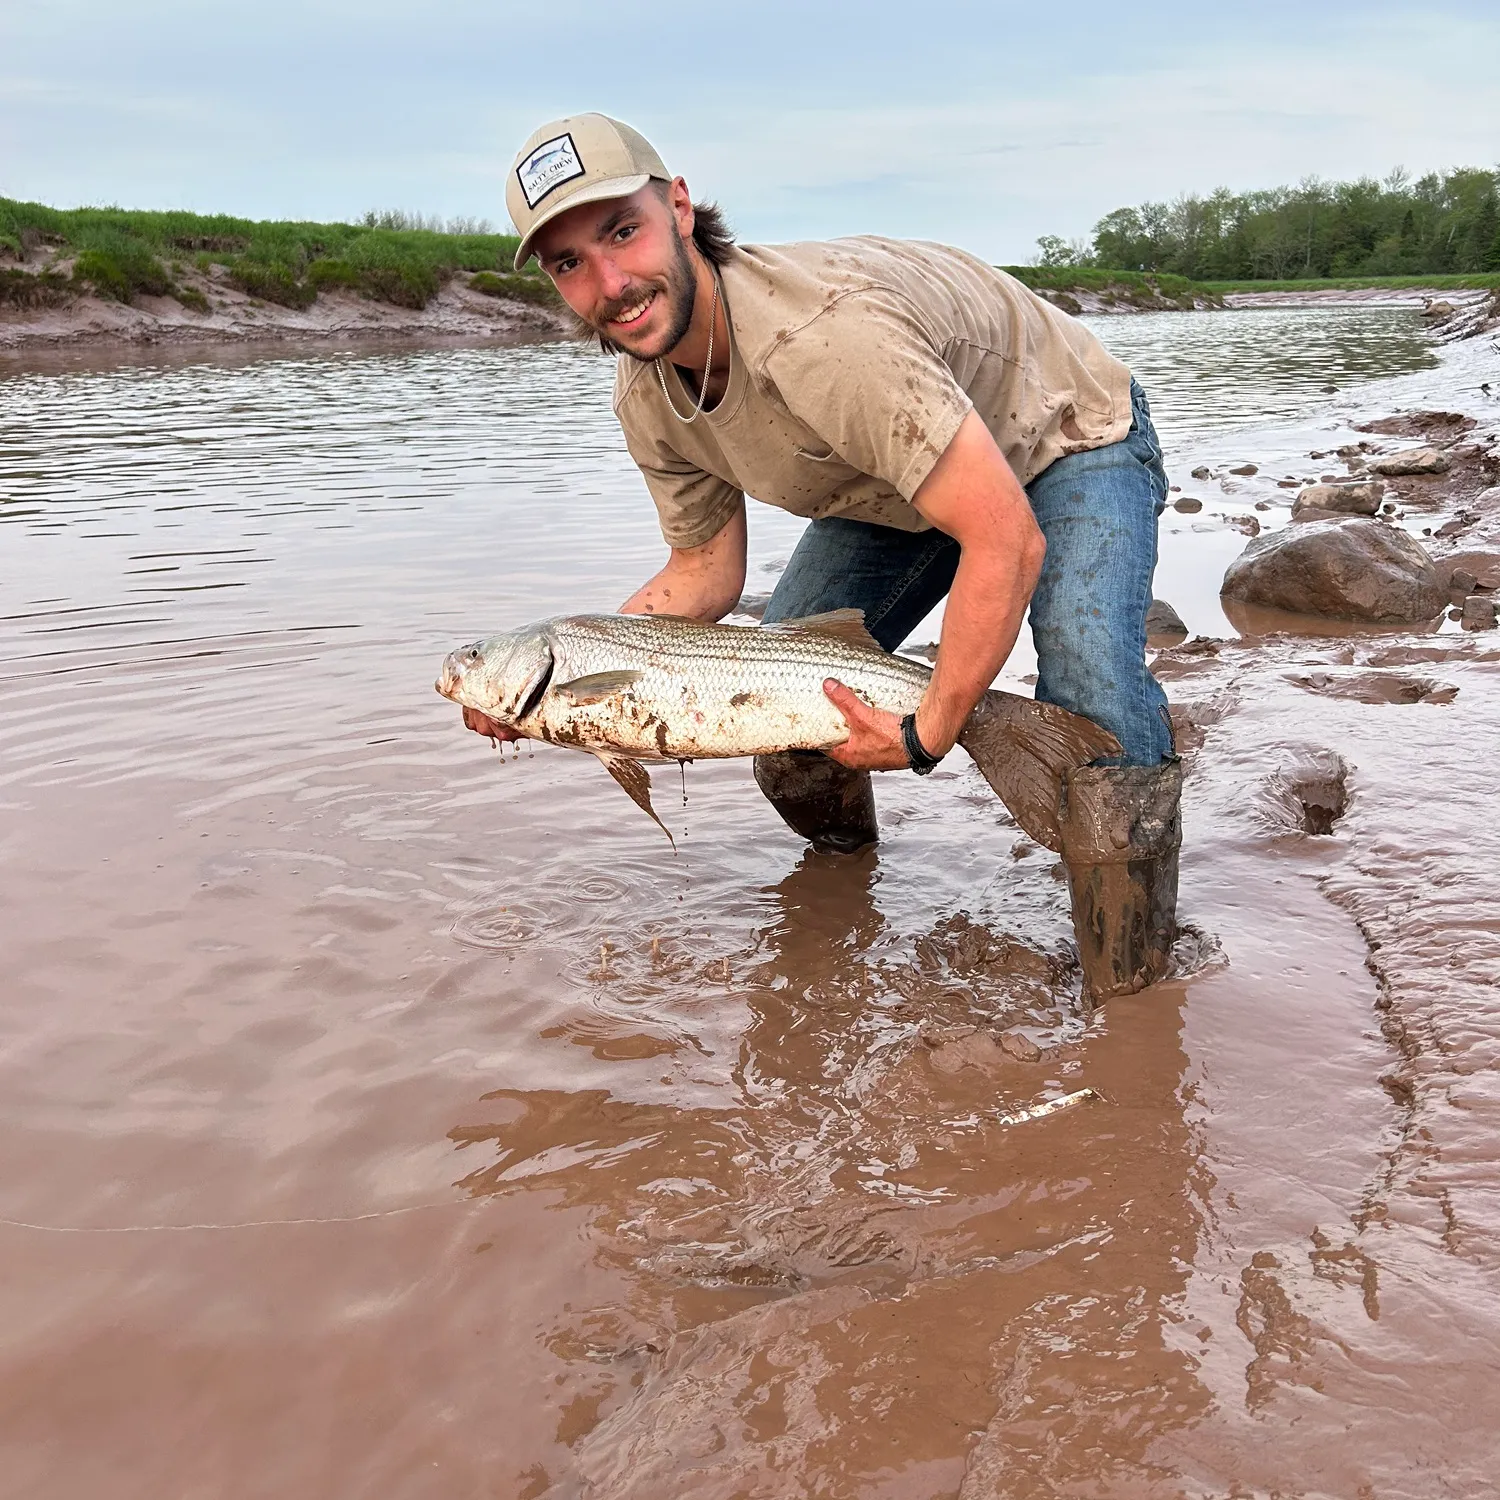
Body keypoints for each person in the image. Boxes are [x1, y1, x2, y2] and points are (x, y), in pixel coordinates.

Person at [467, 113, 1181, 997]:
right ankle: (846, 894)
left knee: (1089, 684)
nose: (610, 282)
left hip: (1060, 439)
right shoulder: (647, 394)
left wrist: (928, 731)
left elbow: (1004, 534)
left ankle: (1135, 974)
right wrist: (554, 675)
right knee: (784, 707)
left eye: (623, 231)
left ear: (679, 208)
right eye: (569, 261)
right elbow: (705, 576)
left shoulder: (824, 339)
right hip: (893, 487)